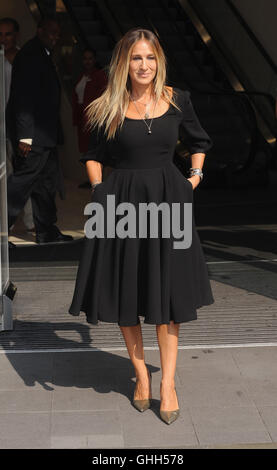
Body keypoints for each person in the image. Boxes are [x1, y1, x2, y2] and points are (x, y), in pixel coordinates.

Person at [68, 28, 214, 425]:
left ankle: (167, 383)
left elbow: (200, 142)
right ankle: (141, 377)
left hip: (170, 200)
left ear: (159, 60)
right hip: (120, 204)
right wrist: (98, 189)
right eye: (136, 58)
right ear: (124, 63)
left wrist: (192, 180)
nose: (144, 65)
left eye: (150, 57)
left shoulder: (177, 99)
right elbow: (93, 154)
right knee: (126, 290)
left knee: (169, 297)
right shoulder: (105, 106)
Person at [6, 16, 73, 244]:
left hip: (45, 136)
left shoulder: (41, 53)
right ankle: (3, 232)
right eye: (51, 33)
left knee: (46, 184)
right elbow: (23, 100)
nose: (55, 37)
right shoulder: (31, 55)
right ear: (40, 30)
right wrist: (25, 136)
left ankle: (46, 231)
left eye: (57, 34)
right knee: (21, 184)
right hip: (32, 136)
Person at [0, 17, 34, 232]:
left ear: (17, 34)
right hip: (0, 127)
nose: (4, 39)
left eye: (8, 34)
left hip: (21, 127)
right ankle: (6, 222)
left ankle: (30, 220)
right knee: (3, 175)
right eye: (0, 35)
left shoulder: (28, 58)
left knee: (25, 174)